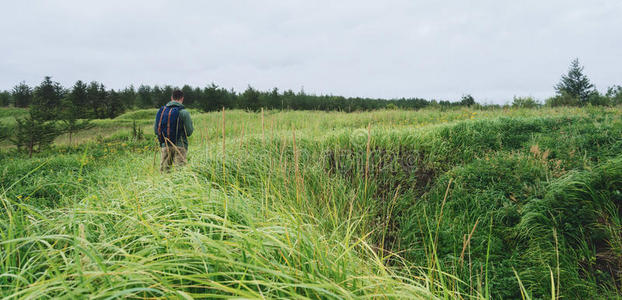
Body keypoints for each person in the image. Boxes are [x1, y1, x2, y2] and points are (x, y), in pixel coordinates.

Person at [154, 90, 194, 172]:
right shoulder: (184, 112)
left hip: (165, 145)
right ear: (182, 99)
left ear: (171, 98)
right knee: (180, 172)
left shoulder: (161, 111)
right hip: (180, 146)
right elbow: (189, 132)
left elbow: (156, 131)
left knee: (164, 172)